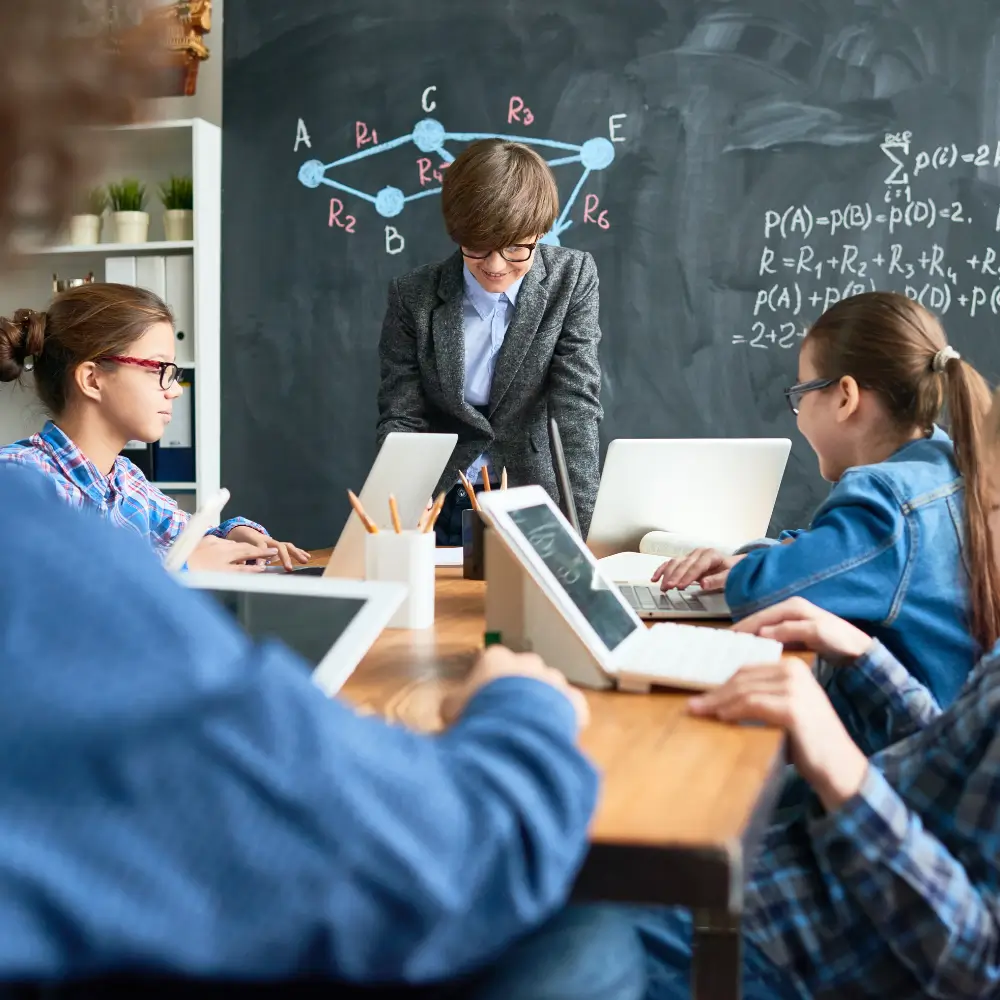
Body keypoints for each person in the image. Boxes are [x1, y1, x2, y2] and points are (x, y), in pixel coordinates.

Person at [0, 464, 645, 999]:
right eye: (159, 369)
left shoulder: (81, 513)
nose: (172, 390)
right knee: (588, 935)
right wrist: (523, 706)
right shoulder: (27, 524)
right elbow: (459, 856)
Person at [635, 582, 1000, 998]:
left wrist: (844, 773)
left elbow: (981, 970)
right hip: (778, 887)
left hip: (785, 957)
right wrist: (865, 657)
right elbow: (955, 767)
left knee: (568, 926)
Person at [654, 291, 998, 709]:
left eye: (801, 395)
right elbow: (831, 553)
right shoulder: (945, 462)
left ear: (845, 397)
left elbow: (767, 593)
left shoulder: (885, 503)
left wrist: (752, 567)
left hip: (901, 749)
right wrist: (757, 555)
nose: (798, 414)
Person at [376, 139, 603, 546]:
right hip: (444, 500)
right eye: (477, 247)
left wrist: (586, 534)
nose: (496, 266)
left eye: (516, 247)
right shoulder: (414, 295)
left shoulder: (572, 278)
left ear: (541, 231)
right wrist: (405, 499)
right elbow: (403, 415)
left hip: (535, 497)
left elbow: (576, 407)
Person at [0, 284, 310, 573]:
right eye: (160, 369)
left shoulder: (127, 482)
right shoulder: (17, 479)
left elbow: (191, 538)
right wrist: (181, 570)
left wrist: (236, 534)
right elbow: (49, 605)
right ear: (92, 379)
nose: (175, 390)